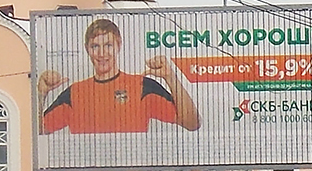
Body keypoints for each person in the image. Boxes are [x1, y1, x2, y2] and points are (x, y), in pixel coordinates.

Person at [39, 17, 202, 135]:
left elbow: (191, 123)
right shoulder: (75, 93)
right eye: (95, 46)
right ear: (87, 49)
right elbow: (39, 131)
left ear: (119, 45)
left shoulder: (142, 86)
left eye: (108, 45)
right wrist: (41, 93)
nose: (102, 53)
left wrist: (170, 78)